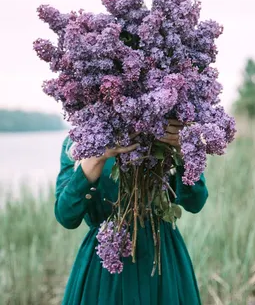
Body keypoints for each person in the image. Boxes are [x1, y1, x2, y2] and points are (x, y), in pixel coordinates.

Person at [55, 119, 209, 304]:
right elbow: (66, 216)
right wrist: (97, 158)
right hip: (106, 265)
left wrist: (184, 149)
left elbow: (196, 202)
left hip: (161, 259)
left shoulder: (168, 127)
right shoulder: (79, 141)